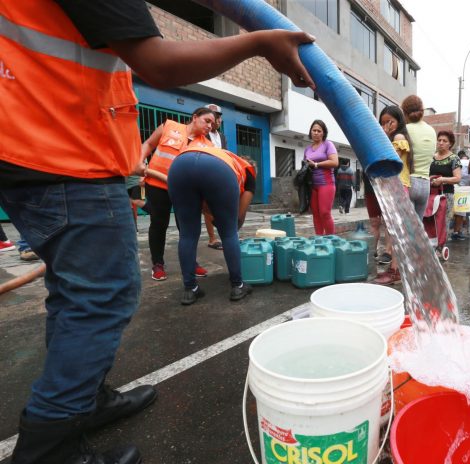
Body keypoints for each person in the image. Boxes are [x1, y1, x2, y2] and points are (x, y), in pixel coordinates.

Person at [0, 1, 315, 462]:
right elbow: (159, 64)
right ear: (201, 121)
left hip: (30, 147)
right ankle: (50, 447)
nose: (210, 121)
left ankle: (87, 396)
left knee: (75, 294)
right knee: (101, 297)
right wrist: (259, 41)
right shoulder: (227, 159)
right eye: (209, 117)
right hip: (69, 156)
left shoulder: (194, 140)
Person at [168, 146, 255, 305]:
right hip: (216, 170)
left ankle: (190, 289)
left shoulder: (224, 155)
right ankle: (237, 286)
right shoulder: (249, 172)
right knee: (229, 233)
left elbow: (206, 206)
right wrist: (225, 224)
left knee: (187, 234)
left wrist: (214, 215)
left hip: (179, 164)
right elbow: (238, 218)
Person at [141, 107, 215, 281]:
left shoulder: (207, 145)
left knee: (187, 228)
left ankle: (190, 262)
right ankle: (157, 264)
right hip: (157, 184)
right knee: (159, 223)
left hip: (186, 190)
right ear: (195, 117)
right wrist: (140, 162)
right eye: (207, 121)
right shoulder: (169, 126)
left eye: (212, 124)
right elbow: (149, 144)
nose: (210, 126)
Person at [372, 105, 414, 285]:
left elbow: (390, 159)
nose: (386, 125)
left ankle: (395, 271)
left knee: (395, 232)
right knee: (392, 231)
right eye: (382, 122)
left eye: (390, 122)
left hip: (397, 187)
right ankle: (395, 270)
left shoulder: (398, 137)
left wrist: (383, 135)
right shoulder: (395, 137)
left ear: (399, 122)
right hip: (394, 187)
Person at [402, 95, 436, 218]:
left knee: (407, 228)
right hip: (425, 184)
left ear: (404, 112)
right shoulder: (432, 130)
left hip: (408, 182)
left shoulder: (404, 130)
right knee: (418, 228)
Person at [304, 120, 339, 235]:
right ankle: (319, 239)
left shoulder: (328, 144)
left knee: (324, 213)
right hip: (312, 185)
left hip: (326, 184)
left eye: (319, 131)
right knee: (316, 213)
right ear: (310, 132)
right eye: (314, 130)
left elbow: (334, 162)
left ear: (323, 133)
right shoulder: (307, 149)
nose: (316, 133)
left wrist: (317, 164)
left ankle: (331, 240)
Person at [204, 103, 227, 250]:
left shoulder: (222, 137)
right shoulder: (202, 134)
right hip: (206, 175)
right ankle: (212, 238)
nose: (217, 121)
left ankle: (223, 235)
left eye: (219, 117)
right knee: (207, 208)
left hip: (221, 175)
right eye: (214, 118)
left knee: (220, 207)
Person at [429, 130, 462, 224]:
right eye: (439, 140)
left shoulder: (454, 158)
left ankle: (443, 239)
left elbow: (458, 178)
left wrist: (442, 179)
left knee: (443, 223)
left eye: (444, 141)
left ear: (450, 144)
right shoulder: (432, 157)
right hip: (431, 194)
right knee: (430, 222)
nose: (441, 143)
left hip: (446, 195)